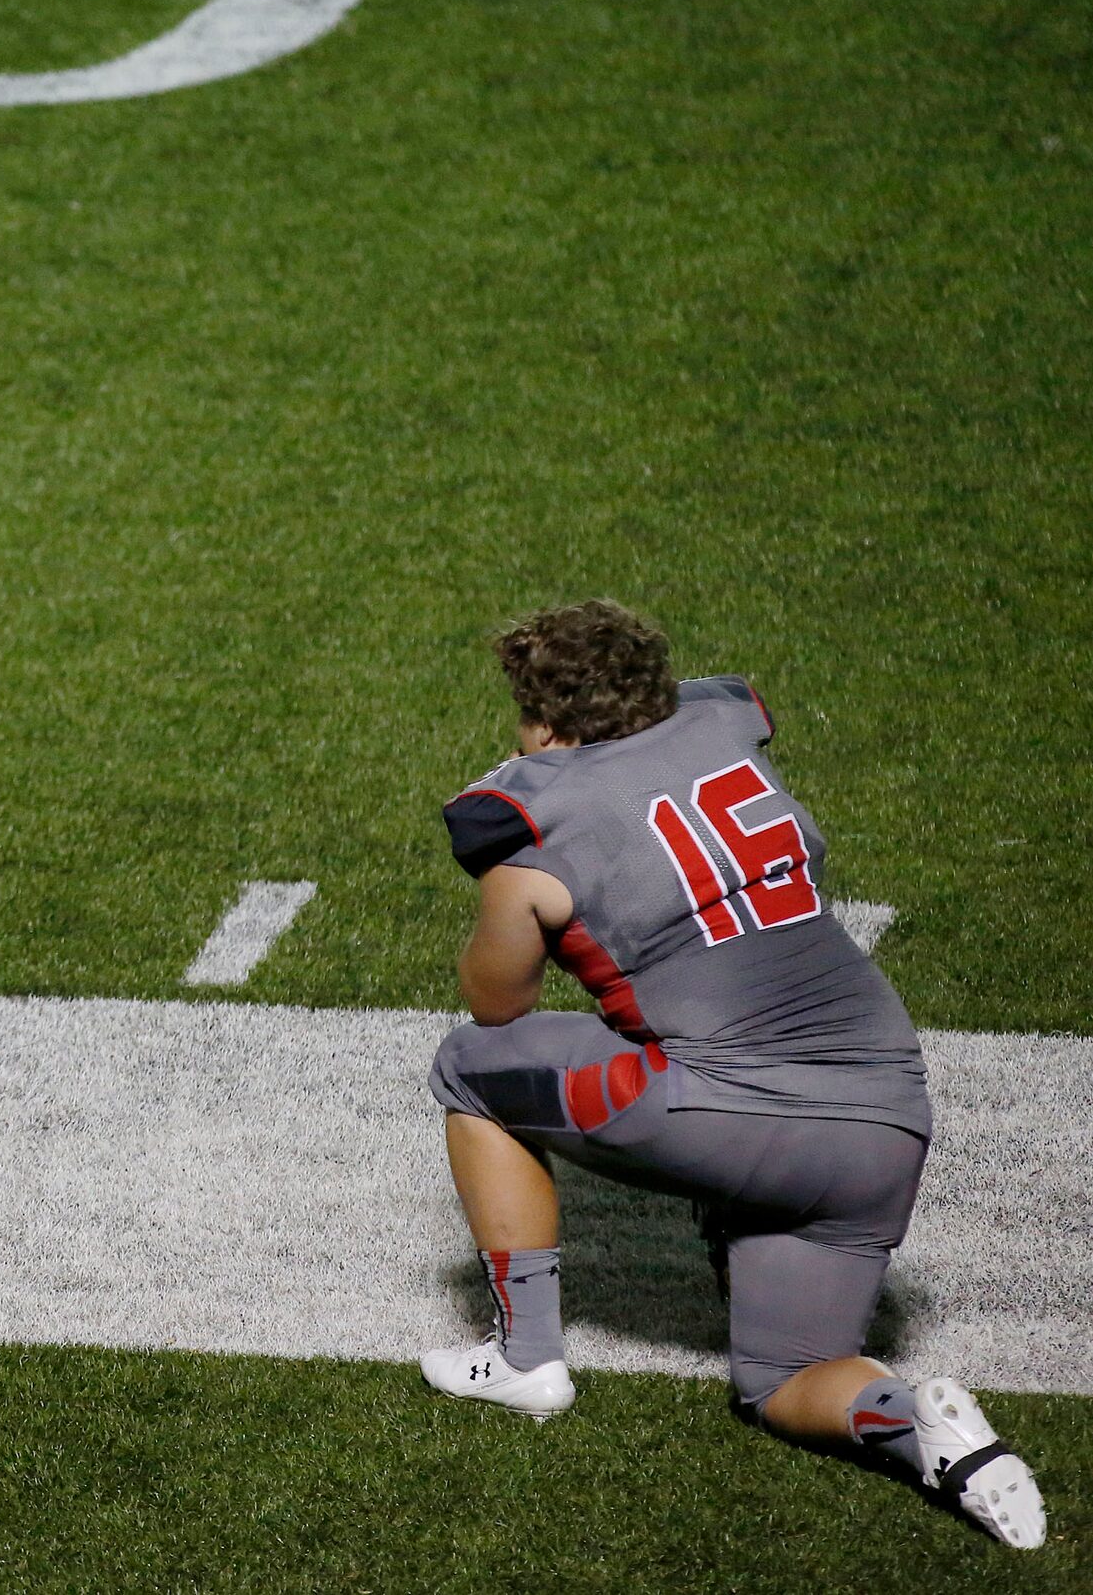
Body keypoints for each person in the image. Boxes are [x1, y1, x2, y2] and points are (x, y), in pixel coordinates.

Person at [419, 599, 1045, 1551]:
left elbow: (492, 1004)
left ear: (542, 722)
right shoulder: (724, 732)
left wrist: (517, 879)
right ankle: (920, 1431)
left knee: (469, 1070)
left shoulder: (536, 824)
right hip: (884, 1122)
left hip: (739, 1116)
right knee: (784, 1378)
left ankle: (526, 1358)